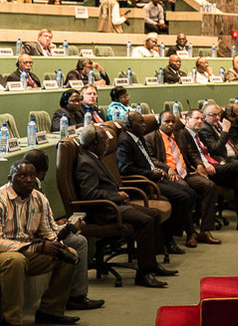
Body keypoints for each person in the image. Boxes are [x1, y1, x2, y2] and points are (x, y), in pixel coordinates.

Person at [75, 126, 177, 287]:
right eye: (104, 141)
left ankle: (152, 264)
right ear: (93, 143)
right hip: (104, 210)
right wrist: (117, 196)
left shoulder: (93, 157)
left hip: (115, 205)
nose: (107, 144)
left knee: (154, 214)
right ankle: (143, 274)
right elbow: (89, 194)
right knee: (146, 220)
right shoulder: (85, 162)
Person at [0, 161, 80, 326]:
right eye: (22, 176)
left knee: (67, 255)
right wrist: (35, 247)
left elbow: (48, 231)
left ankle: (50, 311)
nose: (29, 180)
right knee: (15, 260)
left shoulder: (39, 198)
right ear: (10, 179)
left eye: (32, 176)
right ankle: (11, 320)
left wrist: (56, 245)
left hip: (28, 251)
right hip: (6, 253)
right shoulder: (1, 199)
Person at [20, 150, 104, 311]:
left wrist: (57, 223)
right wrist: (70, 227)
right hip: (33, 241)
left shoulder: (27, 186)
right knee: (78, 242)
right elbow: (43, 233)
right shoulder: (34, 188)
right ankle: (76, 296)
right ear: (42, 170)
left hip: (35, 235)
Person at [115, 111, 197, 254]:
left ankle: (170, 234)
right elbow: (125, 168)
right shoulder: (125, 140)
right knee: (182, 197)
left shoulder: (138, 136)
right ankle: (168, 238)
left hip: (154, 176)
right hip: (143, 183)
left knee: (190, 193)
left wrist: (158, 170)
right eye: (140, 122)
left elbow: (149, 160)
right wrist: (151, 173)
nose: (144, 124)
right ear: (129, 125)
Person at [144, 111, 221, 247]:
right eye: (167, 122)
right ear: (159, 123)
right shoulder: (150, 138)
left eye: (173, 122)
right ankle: (191, 232)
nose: (171, 124)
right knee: (185, 190)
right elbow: (151, 159)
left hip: (186, 172)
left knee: (210, 185)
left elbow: (192, 153)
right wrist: (168, 169)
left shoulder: (180, 135)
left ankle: (205, 230)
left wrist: (198, 164)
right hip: (169, 175)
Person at [183, 110, 238, 232]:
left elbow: (213, 152)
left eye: (201, 119)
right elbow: (188, 155)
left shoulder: (199, 134)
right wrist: (202, 163)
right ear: (187, 119)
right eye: (196, 118)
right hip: (201, 169)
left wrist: (219, 160)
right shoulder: (183, 134)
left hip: (214, 165)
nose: (199, 121)